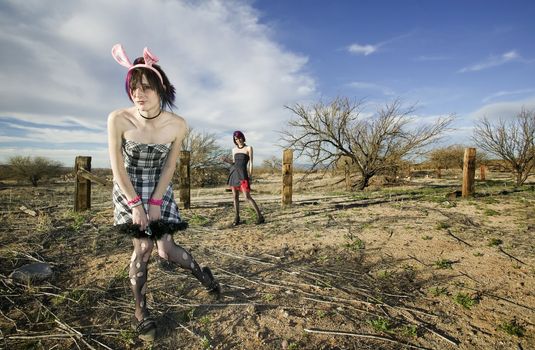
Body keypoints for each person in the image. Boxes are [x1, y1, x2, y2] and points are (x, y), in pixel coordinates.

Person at [108, 44, 220, 341]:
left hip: (159, 187)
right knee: (143, 248)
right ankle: (141, 311)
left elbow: (170, 166)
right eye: (133, 88)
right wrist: (135, 204)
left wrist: (156, 201)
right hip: (128, 187)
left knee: (165, 249)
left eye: (145, 87)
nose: (138, 94)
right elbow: (116, 167)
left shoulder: (177, 125)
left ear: (161, 88)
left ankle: (202, 274)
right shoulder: (118, 118)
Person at [227, 130, 265, 225]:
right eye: (236, 139)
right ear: (234, 140)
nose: (238, 140)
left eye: (239, 138)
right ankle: (237, 218)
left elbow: (251, 163)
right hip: (234, 174)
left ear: (243, 137)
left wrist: (250, 176)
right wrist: (227, 161)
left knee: (247, 197)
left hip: (243, 175)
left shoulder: (249, 148)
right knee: (235, 196)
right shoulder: (234, 150)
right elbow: (234, 163)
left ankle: (260, 217)